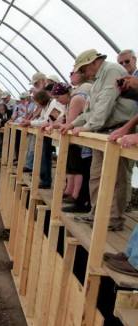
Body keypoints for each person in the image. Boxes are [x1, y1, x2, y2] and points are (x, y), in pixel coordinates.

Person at [60, 49, 137, 231]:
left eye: (84, 69)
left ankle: (113, 218)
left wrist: (87, 127)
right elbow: (89, 111)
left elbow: (105, 104)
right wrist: (73, 125)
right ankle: (96, 213)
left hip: (117, 129)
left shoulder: (111, 71)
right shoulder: (95, 82)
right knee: (97, 175)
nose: (84, 73)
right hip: (103, 130)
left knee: (116, 177)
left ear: (94, 63)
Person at [49, 80, 92, 213]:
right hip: (77, 142)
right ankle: (73, 195)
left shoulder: (75, 99)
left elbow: (69, 122)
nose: (57, 101)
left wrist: (56, 125)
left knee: (80, 169)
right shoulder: (69, 102)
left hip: (81, 143)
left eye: (58, 97)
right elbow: (65, 121)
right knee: (74, 167)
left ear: (65, 93)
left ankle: (77, 198)